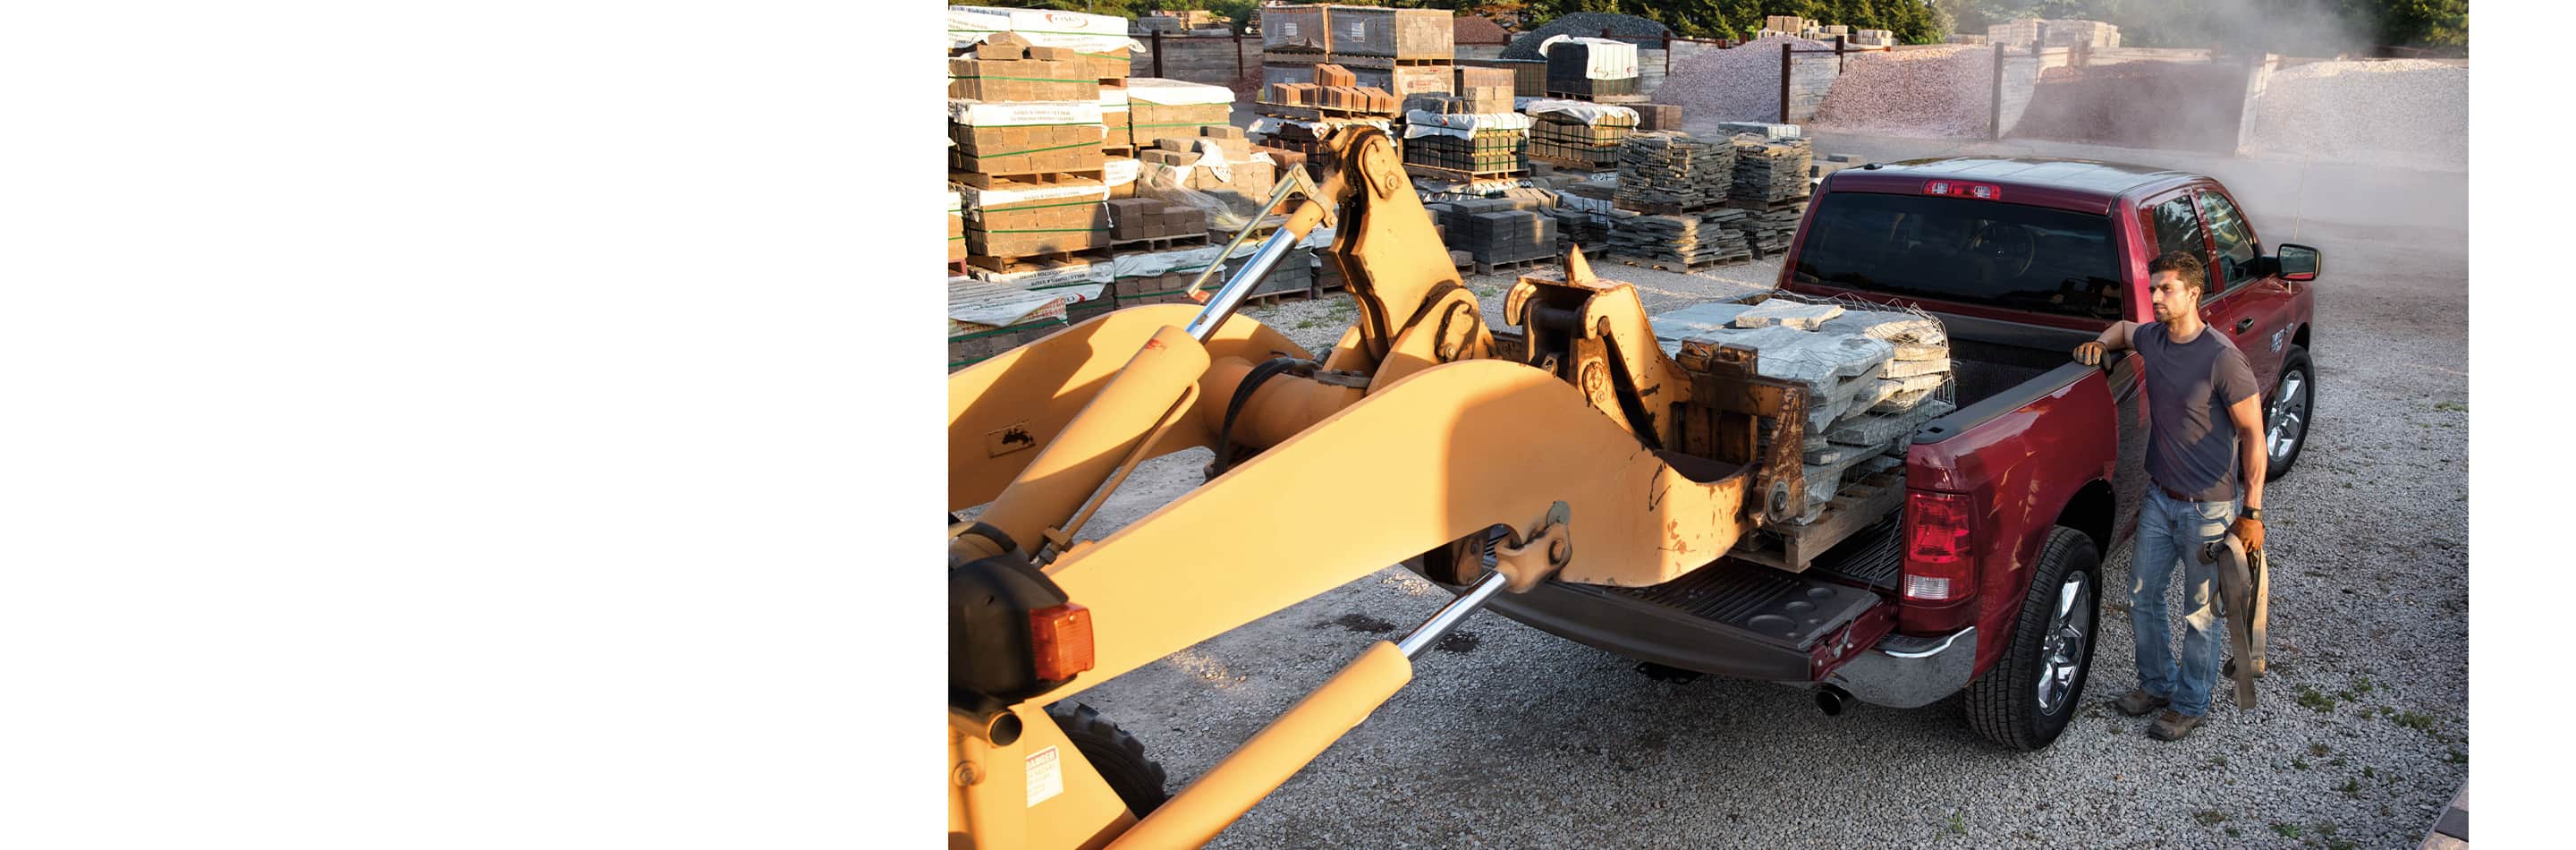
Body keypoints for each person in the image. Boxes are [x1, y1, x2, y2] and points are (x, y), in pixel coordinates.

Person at [2072, 251, 2267, 742]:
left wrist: (2252, 512)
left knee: (2200, 613)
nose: (2155, 297)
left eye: (2166, 290)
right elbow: (2120, 328)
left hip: (2210, 508)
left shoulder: (2222, 359)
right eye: (2153, 288)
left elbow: (2254, 434)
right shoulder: (2153, 339)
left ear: (2193, 293)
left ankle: (2190, 702)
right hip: (2160, 499)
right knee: (2142, 594)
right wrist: (2099, 344)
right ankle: (2157, 684)